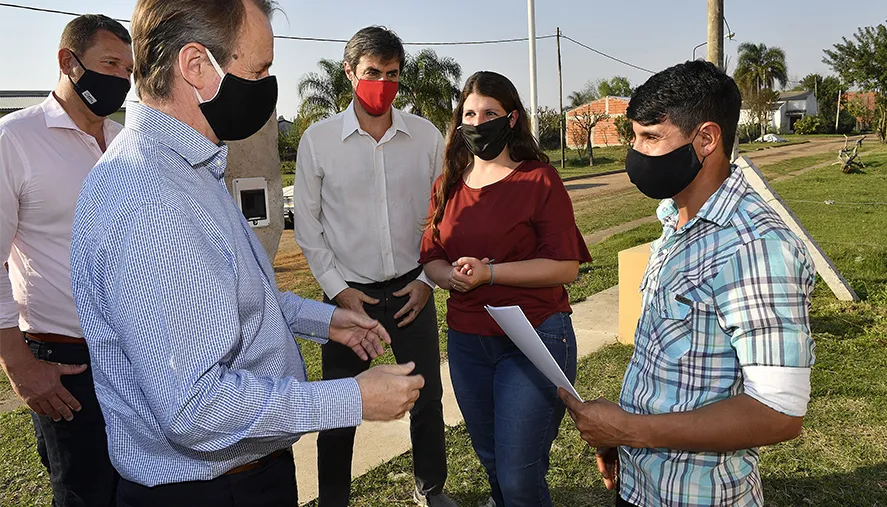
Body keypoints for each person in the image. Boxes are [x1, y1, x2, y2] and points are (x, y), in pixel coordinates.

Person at [69, 2, 424, 506]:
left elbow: (236, 296)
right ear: (196, 66)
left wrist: (324, 321)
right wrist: (354, 397)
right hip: (210, 491)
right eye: (258, 71)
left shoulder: (187, 168)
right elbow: (195, 408)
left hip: (240, 476)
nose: (266, 86)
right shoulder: (150, 199)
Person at [558, 60, 816, 507]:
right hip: (641, 484)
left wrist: (630, 430)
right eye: (634, 138)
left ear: (707, 139)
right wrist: (623, 438)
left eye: (650, 137)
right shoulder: (676, 220)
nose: (635, 154)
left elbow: (778, 413)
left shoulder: (754, 247)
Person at [293, 25, 455, 507]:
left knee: (426, 397)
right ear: (349, 72)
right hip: (349, 301)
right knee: (339, 408)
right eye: (372, 72)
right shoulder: (318, 141)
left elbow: (444, 214)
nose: (382, 84)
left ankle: (431, 488)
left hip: (412, 292)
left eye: (392, 74)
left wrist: (426, 280)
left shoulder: (425, 137)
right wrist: (338, 291)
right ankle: (333, 500)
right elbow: (309, 227)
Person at [420, 71, 592, 507]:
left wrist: (490, 274)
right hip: (468, 342)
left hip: (534, 336)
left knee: (518, 477)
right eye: (469, 114)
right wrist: (449, 276)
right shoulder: (447, 185)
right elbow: (432, 256)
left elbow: (566, 267)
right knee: (494, 464)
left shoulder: (539, 180)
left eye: (489, 113)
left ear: (512, 118)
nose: (478, 123)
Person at [0, 14, 132, 506]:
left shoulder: (125, 143)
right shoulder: (15, 140)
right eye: (110, 64)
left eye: (128, 70)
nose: (121, 79)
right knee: (86, 494)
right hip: (65, 361)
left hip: (134, 355)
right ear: (67, 62)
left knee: (140, 488)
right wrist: (19, 365)